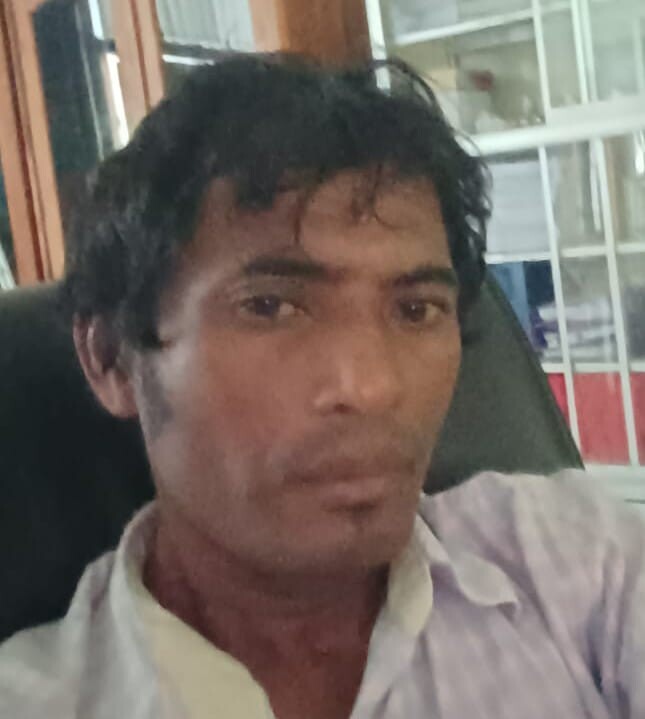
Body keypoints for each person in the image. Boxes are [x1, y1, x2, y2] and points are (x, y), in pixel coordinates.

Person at [0, 52, 643, 719]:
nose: (371, 387)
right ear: (111, 357)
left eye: (415, 309)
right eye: (271, 306)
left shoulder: (575, 564)